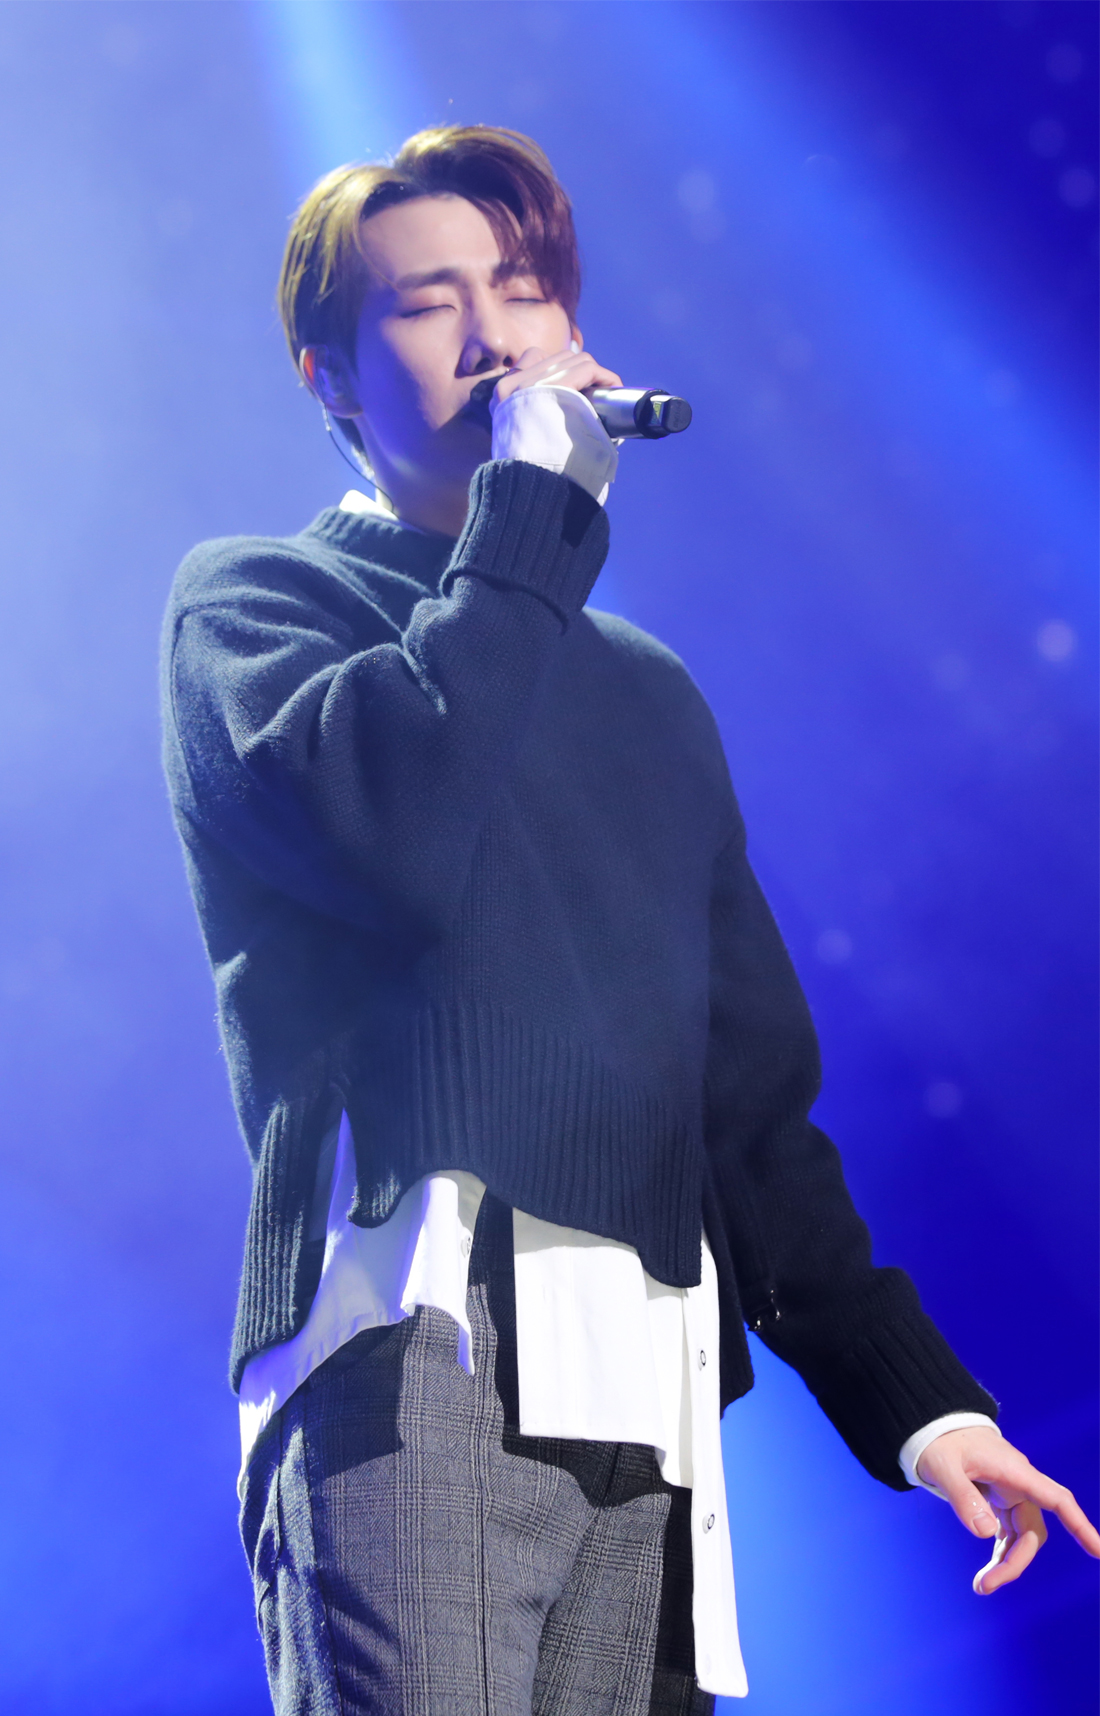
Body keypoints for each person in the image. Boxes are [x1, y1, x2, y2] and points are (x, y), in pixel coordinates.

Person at [160, 125, 1099, 1716]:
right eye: (428, 303)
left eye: (520, 287)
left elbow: (748, 1110)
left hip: (654, 1395)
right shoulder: (258, 608)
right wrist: (530, 514)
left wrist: (918, 1404)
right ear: (331, 381)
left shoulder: (647, 695)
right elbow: (401, 831)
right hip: (418, 1351)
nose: (490, 334)